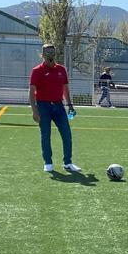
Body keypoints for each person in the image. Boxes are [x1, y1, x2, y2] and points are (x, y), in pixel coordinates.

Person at [29, 43, 81, 173]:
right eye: (47, 52)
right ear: (42, 54)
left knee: (67, 134)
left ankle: (68, 163)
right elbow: (31, 92)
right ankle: (48, 163)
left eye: (52, 52)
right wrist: (34, 111)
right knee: (45, 135)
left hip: (59, 106)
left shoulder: (62, 70)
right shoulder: (37, 71)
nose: (50, 54)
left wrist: (70, 105)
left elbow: (65, 89)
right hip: (43, 106)